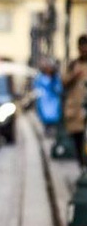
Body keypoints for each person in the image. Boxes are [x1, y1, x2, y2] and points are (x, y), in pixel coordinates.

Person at [63, 35, 87, 167]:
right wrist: (74, 75)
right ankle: (82, 167)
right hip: (76, 109)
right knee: (78, 139)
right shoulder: (73, 65)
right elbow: (64, 82)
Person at [34, 58, 62, 137]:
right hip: (44, 102)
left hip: (54, 102)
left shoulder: (55, 78)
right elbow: (37, 89)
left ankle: (52, 133)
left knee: (53, 120)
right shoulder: (40, 78)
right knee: (45, 120)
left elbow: (59, 89)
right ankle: (47, 131)